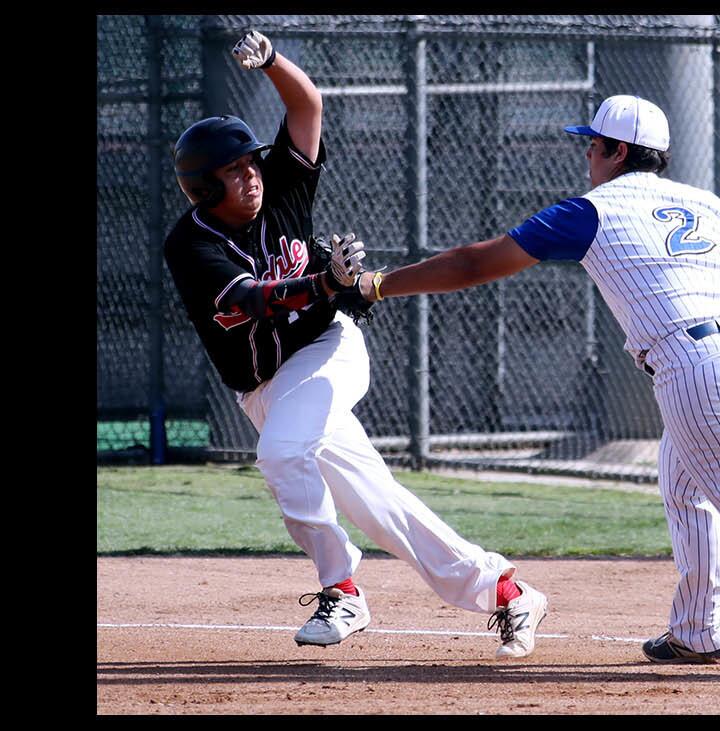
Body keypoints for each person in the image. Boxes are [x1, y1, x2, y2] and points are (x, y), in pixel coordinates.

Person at [341, 95, 720, 675]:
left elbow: (475, 263)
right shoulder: (705, 204)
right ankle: (699, 632)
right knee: (685, 484)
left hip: (699, 367)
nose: (588, 157)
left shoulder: (590, 211)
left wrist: (375, 285)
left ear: (617, 150)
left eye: (593, 146)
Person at [162, 30, 548, 659]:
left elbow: (306, 107)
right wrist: (325, 280)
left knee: (282, 453)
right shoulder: (192, 243)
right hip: (263, 387)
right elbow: (249, 300)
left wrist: (272, 63)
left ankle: (341, 588)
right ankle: (506, 592)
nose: (250, 175)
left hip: (325, 349)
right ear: (205, 188)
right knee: (379, 506)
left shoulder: (281, 185)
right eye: (232, 171)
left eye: (250, 162)